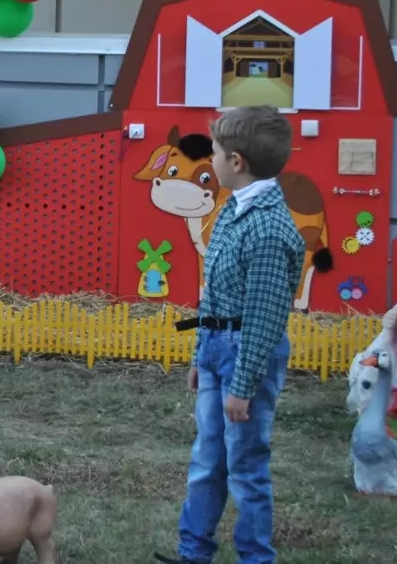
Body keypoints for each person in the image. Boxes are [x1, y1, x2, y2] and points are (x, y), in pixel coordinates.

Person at [156, 106, 307, 564]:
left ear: (236, 161)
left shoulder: (267, 227)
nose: (212, 162)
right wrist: (202, 358)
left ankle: (256, 558)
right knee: (206, 462)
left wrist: (242, 386)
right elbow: (214, 295)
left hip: (249, 357)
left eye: (216, 153)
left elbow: (264, 318)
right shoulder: (233, 210)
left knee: (245, 469)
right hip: (219, 350)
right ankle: (193, 553)